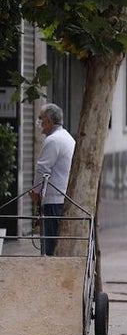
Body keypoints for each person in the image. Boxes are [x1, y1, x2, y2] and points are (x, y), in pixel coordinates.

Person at [32, 103, 75, 257]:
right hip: (61, 199)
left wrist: (35, 193)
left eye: (41, 119)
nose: (39, 122)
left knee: (49, 247)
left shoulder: (53, 141)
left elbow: (42, 169)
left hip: (54, 201)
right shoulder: (66, 137)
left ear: (49, 122)